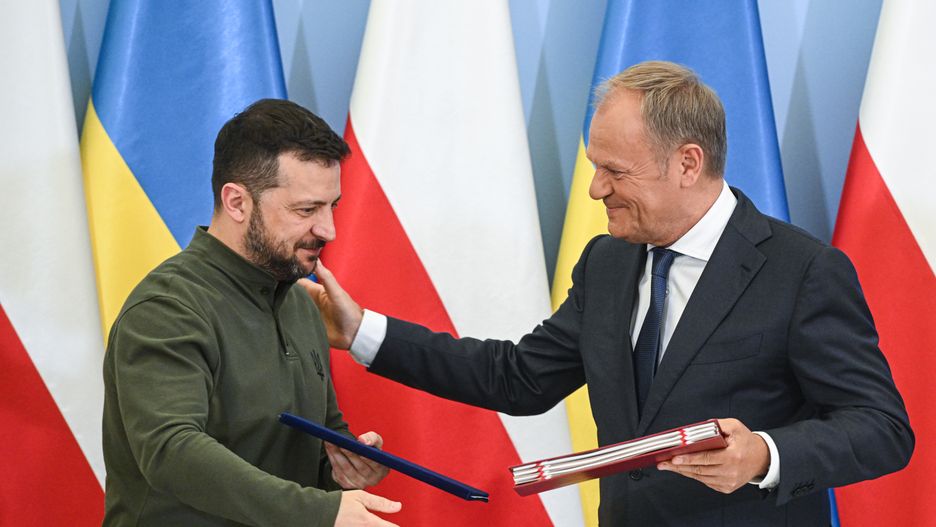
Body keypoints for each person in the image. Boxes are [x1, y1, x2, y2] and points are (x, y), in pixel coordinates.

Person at [303, 61, 913, 526]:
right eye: (596, 166)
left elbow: (882, 427)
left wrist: (763, 455)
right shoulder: (608, 262)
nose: (596, 189)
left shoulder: (802, 270)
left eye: (616, 171)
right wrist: (361, 332)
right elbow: (517, 378)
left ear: (688, 163)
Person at [102, 99, 402, 527]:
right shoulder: (168, 308)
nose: (328, 230)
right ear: (237, 202)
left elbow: (316, 437)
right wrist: (317, 512)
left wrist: (341, 467)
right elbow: (170, 451)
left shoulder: (301, 303)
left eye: (332, 206)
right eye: (306, 210)